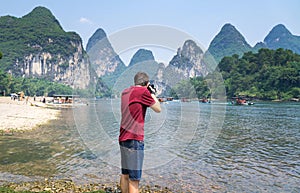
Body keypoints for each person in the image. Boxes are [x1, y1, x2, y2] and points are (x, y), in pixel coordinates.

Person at [119, 72, 161, 193]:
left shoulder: (125, 92)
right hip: (134, 140)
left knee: (125, 174)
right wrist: (151, 93)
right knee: (134, 180)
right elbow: (158, 108)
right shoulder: (143, 92)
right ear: (146, 84)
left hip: (123, 137)